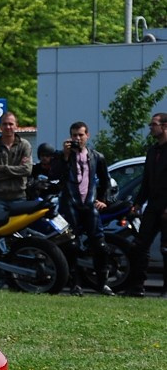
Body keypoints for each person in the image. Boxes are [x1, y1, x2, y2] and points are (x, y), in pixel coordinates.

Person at [49, 122, 114, 297]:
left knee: (100, 245)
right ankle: (75, 284)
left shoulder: (96, 157)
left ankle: (103, 283)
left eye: (80, 135)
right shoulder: (62, 155)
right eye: (74, 135)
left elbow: (105, 180)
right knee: (71, 245)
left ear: (87, 136)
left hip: (89, 204)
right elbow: (53, 175)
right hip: (69, 205)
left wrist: (103, 199)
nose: (77, 139)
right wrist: (65, 156)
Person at [125, 112, 167, 297]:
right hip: (152, 206)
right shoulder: (152, 151)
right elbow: (146, 181)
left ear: (165, 126)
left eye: (154, 124)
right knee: (139, 246)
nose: (151, 127)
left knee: (166, 248)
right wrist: (137, 203)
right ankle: (137, 288)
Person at [0, 111, 32, 223]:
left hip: (19, 198)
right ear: (0, 126)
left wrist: (3, 168)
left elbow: (27, 170)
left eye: (10, 124)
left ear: (16, 126)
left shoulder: (24, 145)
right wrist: (16, 172)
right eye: (4, 124)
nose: (8, 127)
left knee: (20, 235)